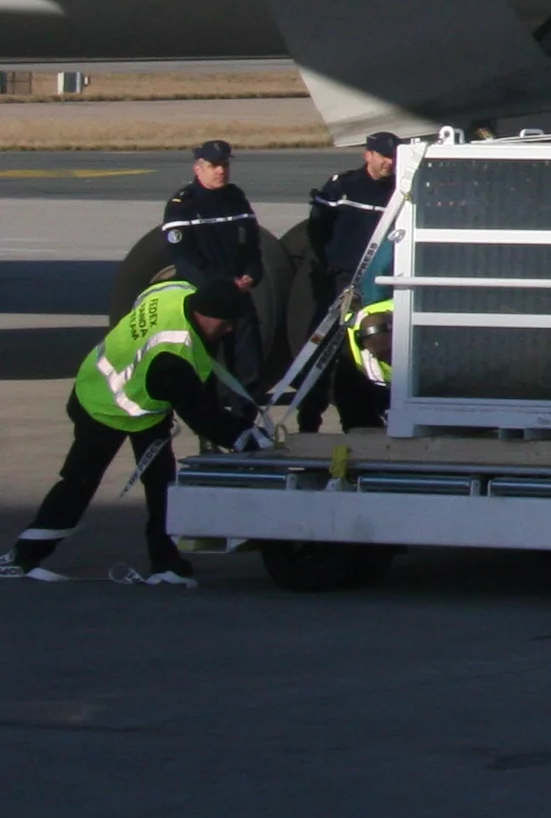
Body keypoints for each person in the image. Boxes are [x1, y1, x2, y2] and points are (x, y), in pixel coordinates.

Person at [4, 276, 258, 585]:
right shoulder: (173, 354)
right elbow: (203, 417)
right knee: (79, 483)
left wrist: (227, 288)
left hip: (121, 392)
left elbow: (149, 296)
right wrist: (246, 436)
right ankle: (22, 557)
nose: (229, 330)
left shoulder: (177, 291)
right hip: (106, 406)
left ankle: (165, 563)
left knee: (161, 483)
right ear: (205, 314)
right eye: (226, 322)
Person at [296, 133, 403, 433]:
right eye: (383, 156)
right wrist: (330, 265)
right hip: (341, 284)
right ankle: (308, 419)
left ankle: (369, 418)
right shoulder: (343, 187)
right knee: (321, 354)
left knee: (373, 352)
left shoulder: (400, 192)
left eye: (393, 157)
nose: (389, 162)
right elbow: (317, 229)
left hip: (379, 288)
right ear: (367, 155)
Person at [159, 141, 265, 389]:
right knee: (203, 368)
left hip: (238, 296)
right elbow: (184, 257)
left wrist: (251, 275)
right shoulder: (183, 205)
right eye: (214, 166)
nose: (221, 171)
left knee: (249, 367)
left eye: (225, 165)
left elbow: (252, 247)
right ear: (198, 168)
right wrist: (219, 285)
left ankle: (247, 420)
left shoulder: (236, 199)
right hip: (206, 300)